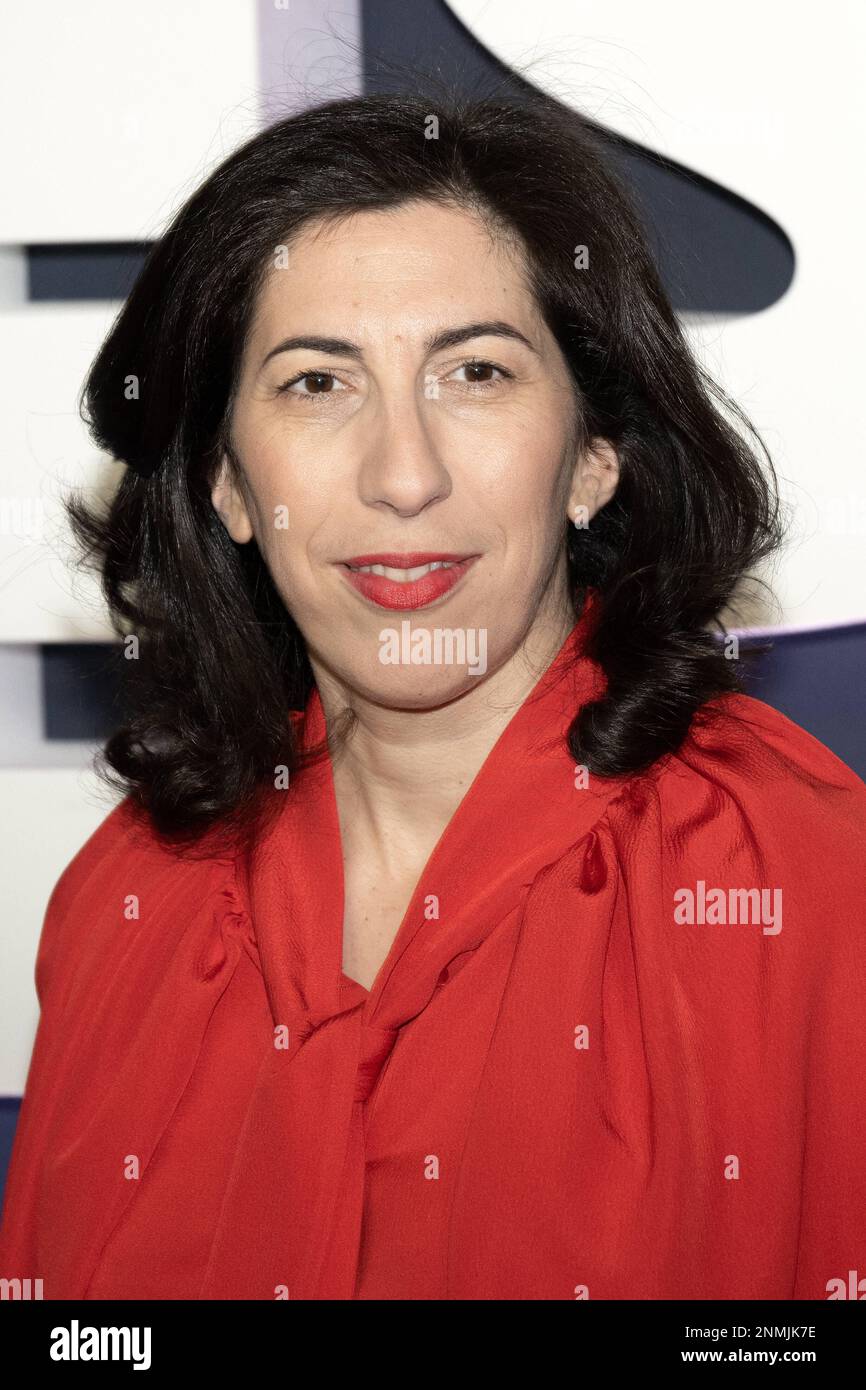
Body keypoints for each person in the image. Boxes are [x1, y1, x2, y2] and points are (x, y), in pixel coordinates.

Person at [1, 89, 864, 1301]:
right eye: (316, 383)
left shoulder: (799, 885)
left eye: (475, 371)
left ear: (593, 457)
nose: (402, 475)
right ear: (226, 483)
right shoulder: (127, 901)